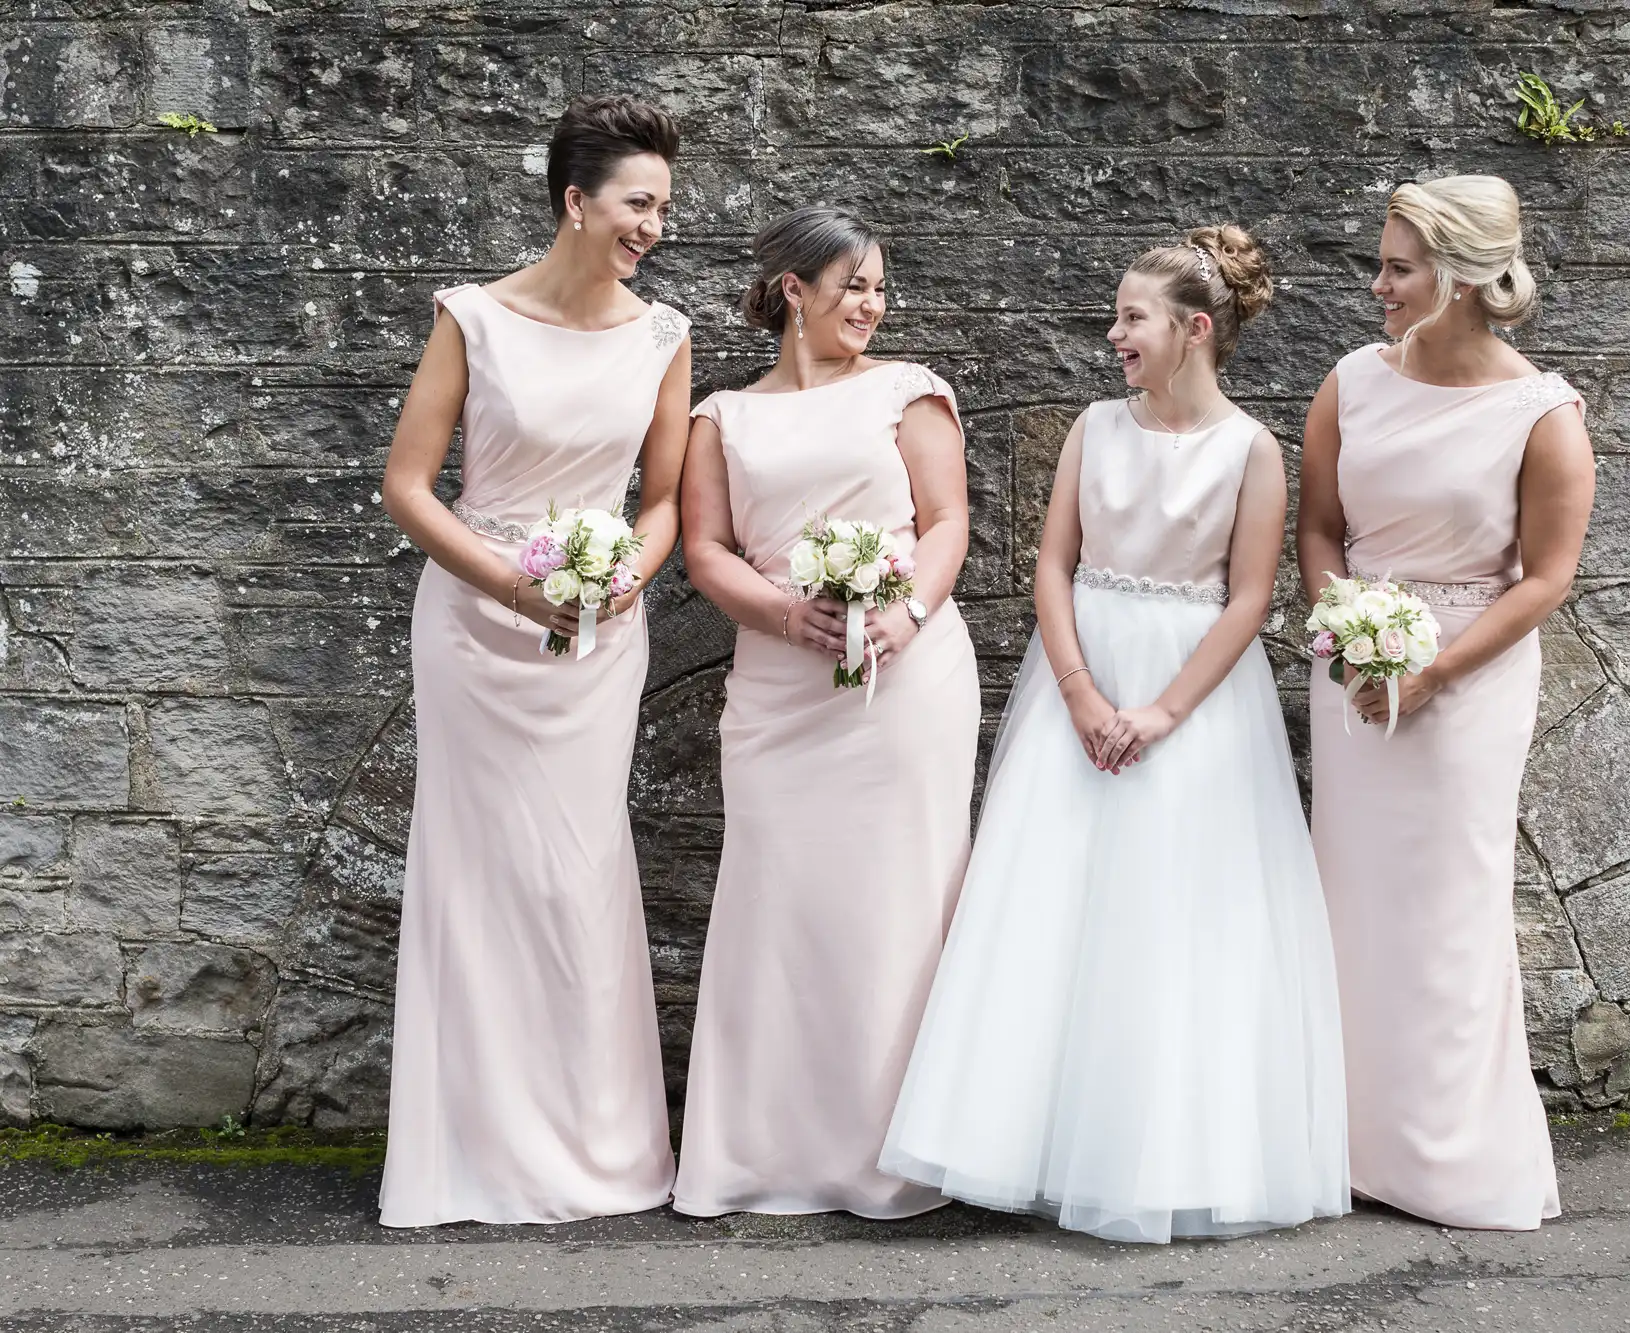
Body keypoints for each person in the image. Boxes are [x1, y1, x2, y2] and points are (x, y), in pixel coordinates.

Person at [880, 226, 1351, 1245]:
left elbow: (1248, 598)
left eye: (1131, 317)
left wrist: (1161, 711)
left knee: (1174, 917)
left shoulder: (1250, 452)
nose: (1112, 333)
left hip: (1195, 702)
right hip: (1078, 688)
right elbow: (1053, 565)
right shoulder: (1094, 428)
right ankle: (1030, 1142)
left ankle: (1165, 1152)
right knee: (1051, 905)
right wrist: (1085, 694)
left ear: (1191, 330)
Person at [375, 95, 691, 1227]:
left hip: (597, 635)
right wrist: (509, 583)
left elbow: (662, 502)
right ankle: (466, 1154)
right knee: (476, 870)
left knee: (575, 871)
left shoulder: (662, 335)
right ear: (576, 201)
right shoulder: (474, 317)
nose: (653, 223)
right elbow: (409, 486)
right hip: (473, 623)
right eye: (636, 202)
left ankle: (595, 1149)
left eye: (662, 205)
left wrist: (624, 578)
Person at [1296, 175, 1595, 1230]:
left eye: (1397, 267)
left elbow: (1543, 578)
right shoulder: (1349, 383)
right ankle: (1345, 1144)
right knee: (1349, 898)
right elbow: (1319, 530)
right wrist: (1347, 629)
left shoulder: (1540, 415)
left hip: (1466, 682)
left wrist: (1431, 670)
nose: (1375, 284)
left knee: (1450, 911)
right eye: (1378, 263)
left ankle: (1454, 1160)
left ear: (1463, 279)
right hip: (1357, 680)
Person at [674, 206, 980, 1219]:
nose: (871, 305)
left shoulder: (907, 392)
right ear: (793, 289)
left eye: (879, 288)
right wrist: (777, 610)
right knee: (777, 902)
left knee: (896, 901)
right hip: (776, 689)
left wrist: (906, 611)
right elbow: (706, 548)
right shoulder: (721, 415)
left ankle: (896, 1152)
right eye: (852, 285)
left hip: (904, 681)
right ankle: (762, 1153)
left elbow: (946, 523)